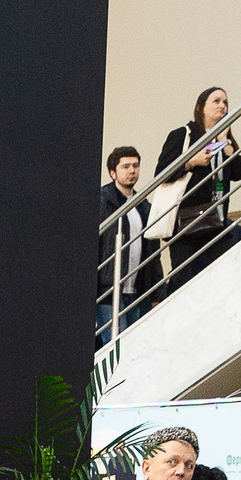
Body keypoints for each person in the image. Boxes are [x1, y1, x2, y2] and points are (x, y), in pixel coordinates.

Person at [156, 88, 241, 296]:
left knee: (221, 275)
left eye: (225, 102)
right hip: (186, 223)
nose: (222, 106)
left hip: (215, 220)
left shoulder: (225, 139)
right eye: (216, 101)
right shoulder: (183, 135)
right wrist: (191, 162)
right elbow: (161, 173)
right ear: (201, 108)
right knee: (184, 280)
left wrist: (228, 147)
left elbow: (240, 173)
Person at [98, 146, 161, 341]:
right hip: (108, 292)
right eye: (125, 166)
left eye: (135, 165)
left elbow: (153, 252)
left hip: (138, 291)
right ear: (113, 172)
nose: (132, 170)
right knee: (118, 347)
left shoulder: (144, 204)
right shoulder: (102, 202)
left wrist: (157, 293)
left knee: (135, 345)